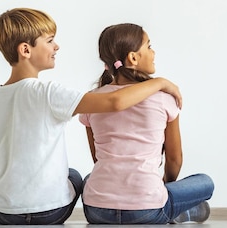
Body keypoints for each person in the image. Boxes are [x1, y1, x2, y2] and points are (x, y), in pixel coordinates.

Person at [0, 8, 183, 225]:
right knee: (73, 176)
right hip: (53, 211)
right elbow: (115, 101)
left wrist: (12, 189)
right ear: (26, 50)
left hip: (5, 210)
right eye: (50, 41)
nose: (57, 46)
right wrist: (161, 82)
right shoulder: (49, 93)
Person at [78, 23, 214, 225]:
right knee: (205, 183)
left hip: (97, 211)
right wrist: (164, 188)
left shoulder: (93, 100)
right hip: (146, 209)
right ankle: (176, 211)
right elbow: (175, 159)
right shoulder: (164, 98)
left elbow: (98, 159)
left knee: (92, 177)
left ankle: (172, 208)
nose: (153, 52)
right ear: (133, 57)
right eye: (149, 46)